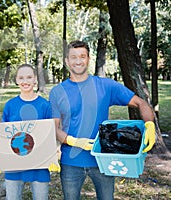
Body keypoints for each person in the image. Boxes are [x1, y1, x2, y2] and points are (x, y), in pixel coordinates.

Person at [49, 40, 156, 200]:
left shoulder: (105, 86)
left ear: (88, 59)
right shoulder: (57, 92)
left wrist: (150, 125)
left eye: (82, 56)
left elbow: (141, 103)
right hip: (70, 161)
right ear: (66, 61)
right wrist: (74, 141)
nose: (78, 61)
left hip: (103, 160)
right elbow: (54, 127)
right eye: (73, 57)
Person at [0, 64, 60, 200]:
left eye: (29, 77)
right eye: (21, 77)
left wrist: (52, 155)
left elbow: (50, 134)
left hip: (40, 165)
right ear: (16, 80)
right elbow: (4, 137)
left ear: (35, 80)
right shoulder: (10, 105)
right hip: (14, 165)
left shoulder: (44, 105)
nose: (25, 81)